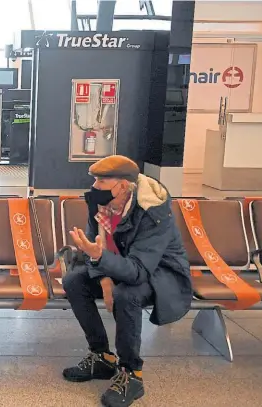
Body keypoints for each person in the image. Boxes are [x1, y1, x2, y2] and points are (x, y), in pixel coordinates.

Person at [62, 155, 192, 407]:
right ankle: (101, 356)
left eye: (102, 180)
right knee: (74, 281)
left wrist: (100, 258)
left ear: (123, 185)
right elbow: (95, 246)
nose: (95, 186)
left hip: (160, 273)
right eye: (95, 180)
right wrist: (104, 280)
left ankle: (131, 372)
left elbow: (139, 271)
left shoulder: (153, 212)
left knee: (127, 295)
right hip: (118, 265)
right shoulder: (101, 202)